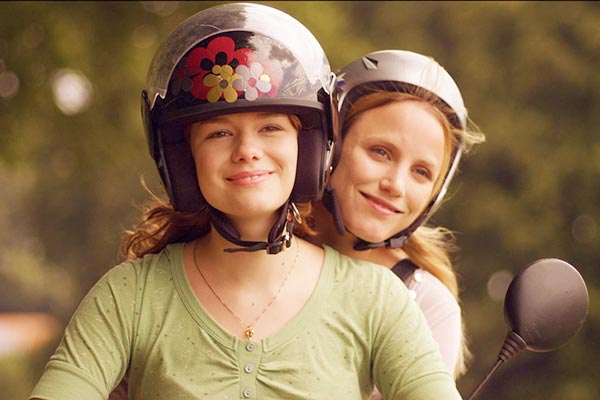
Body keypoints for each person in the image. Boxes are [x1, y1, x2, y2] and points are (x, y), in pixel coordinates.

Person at [29, 4, 463, 400]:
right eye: (218, 132)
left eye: (272, 127)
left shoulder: (379, 299)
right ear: (183, 160)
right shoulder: (130, 297)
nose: (247, 150)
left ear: (310, 149)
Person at [310, 50, 485, 391]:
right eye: (380, 152)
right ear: (331, 144)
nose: (395, 185)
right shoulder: (262, 244)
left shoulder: (427, 303)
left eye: (421, 172)